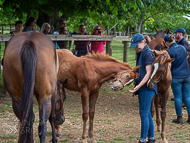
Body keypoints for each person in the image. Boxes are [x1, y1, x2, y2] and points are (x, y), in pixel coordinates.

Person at [129, 33, 157, 143]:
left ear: (143, 42)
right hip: (143, 88)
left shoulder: (148, 53)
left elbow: (148, 74)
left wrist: (137, 87)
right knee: (147, 113)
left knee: (144, 114)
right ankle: (151, 139)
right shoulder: (142, 52)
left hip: (146, 88)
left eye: (137, 45)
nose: (136, 47)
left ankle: (142, 140)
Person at [164, 34, 190, 124]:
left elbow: (169, 65)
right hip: (187, 75)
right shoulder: (182, 48)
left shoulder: (169, 51)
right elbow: (187, 57)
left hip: (176, 77)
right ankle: (189, 117)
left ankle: (179, 118)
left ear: (167, 43)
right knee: (187, 96)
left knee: (177, 97)